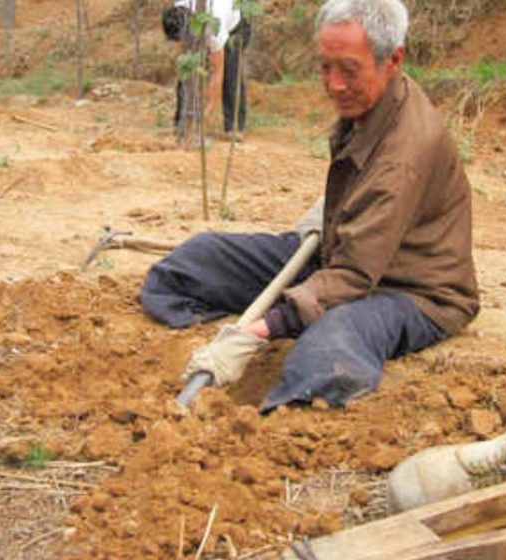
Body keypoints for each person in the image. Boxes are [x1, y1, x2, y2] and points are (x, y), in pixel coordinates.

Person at [143, 0, 479, 412]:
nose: (334, 84)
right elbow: (351, 253)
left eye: (349, 70)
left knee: (329, 346)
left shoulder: (405, 153)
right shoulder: (372, 103)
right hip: (343, 256)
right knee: (199, 258)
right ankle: (192, 308)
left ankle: (294, 416)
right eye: (325, 67)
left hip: (412, 289)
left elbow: (355, 274)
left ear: (393, 59)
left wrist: (260, 330)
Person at [162, 0, 251, 136]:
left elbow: (217, 72)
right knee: (187, 66)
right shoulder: (179, 11)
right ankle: (182, 120)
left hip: (236, 22)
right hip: (204, 20)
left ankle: (234, 126)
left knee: (230, 69)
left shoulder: (214, 25)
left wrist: (209, 109)